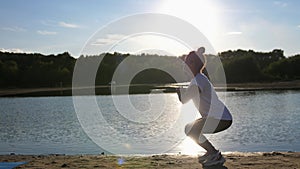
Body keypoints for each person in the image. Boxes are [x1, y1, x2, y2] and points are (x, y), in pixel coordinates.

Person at [177, 47, 232, 167]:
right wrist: (181, 92)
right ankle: (211, 152)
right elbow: (186, 97)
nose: (185, 64)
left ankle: (214, 153)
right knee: (192, 129)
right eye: (186, 61)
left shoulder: (199, 80)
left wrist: (179, 91)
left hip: (220, 118)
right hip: (220, 117)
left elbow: (184, 99)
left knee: (190, 129)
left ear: (196, 64)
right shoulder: (198, 80)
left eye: (189, 62)